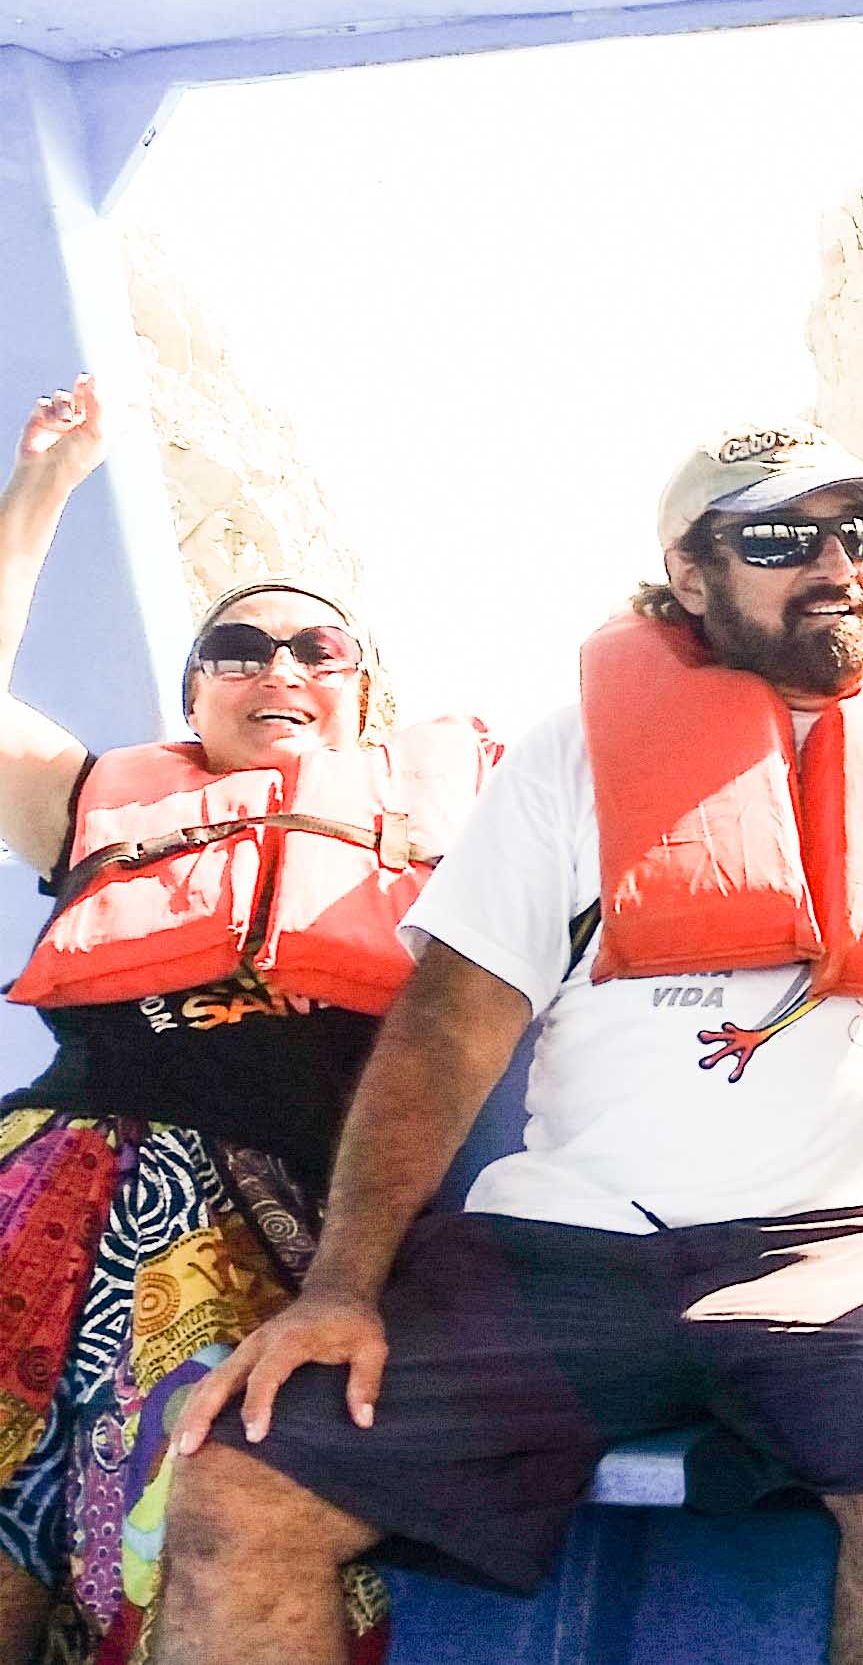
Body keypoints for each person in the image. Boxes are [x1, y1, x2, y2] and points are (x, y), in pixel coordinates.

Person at [150, 427, 863, 1665]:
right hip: (558, 1249)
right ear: (690, 575)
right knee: (238, 1493)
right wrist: (340, 1288)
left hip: (843, 1249)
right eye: (780, 540)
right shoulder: (574, 752)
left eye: (860, 534)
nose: (836, 567)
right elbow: (449, 1030)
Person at [0, 375, 498, 1664]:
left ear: (363, 701)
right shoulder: (93, 801)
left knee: (196, 1519)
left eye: (318, 651)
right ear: (196, 700)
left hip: (287, 1226)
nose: (278, 667)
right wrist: (45, 485)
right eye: (238, 650)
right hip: (43, 1187)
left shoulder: (467, 820)